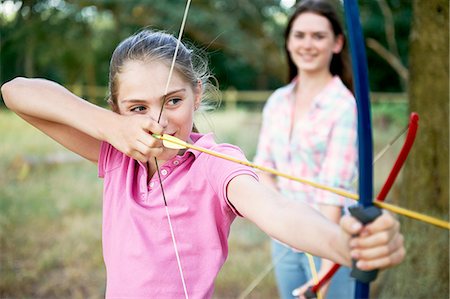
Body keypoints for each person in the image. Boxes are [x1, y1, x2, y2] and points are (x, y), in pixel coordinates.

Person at [1, 29, 404, 299]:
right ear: (117, 109)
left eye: (173, 101)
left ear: (197, 93)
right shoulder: (117, 153)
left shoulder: (215, 164)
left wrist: (344, 244)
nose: (158, 122)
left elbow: (276, 209)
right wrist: (112, 128)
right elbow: (16, 91)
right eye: (137, 107)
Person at [254, 0, 362, 298]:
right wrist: (281, 222)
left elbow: (332, 192)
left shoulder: (343, 106)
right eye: (299, 35)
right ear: (288, 41)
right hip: (283, 239)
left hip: (327, 237)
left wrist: (326, 269)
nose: (308, 44)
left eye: (319, 36)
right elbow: (263, 168)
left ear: (337, 43)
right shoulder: (278, 100)